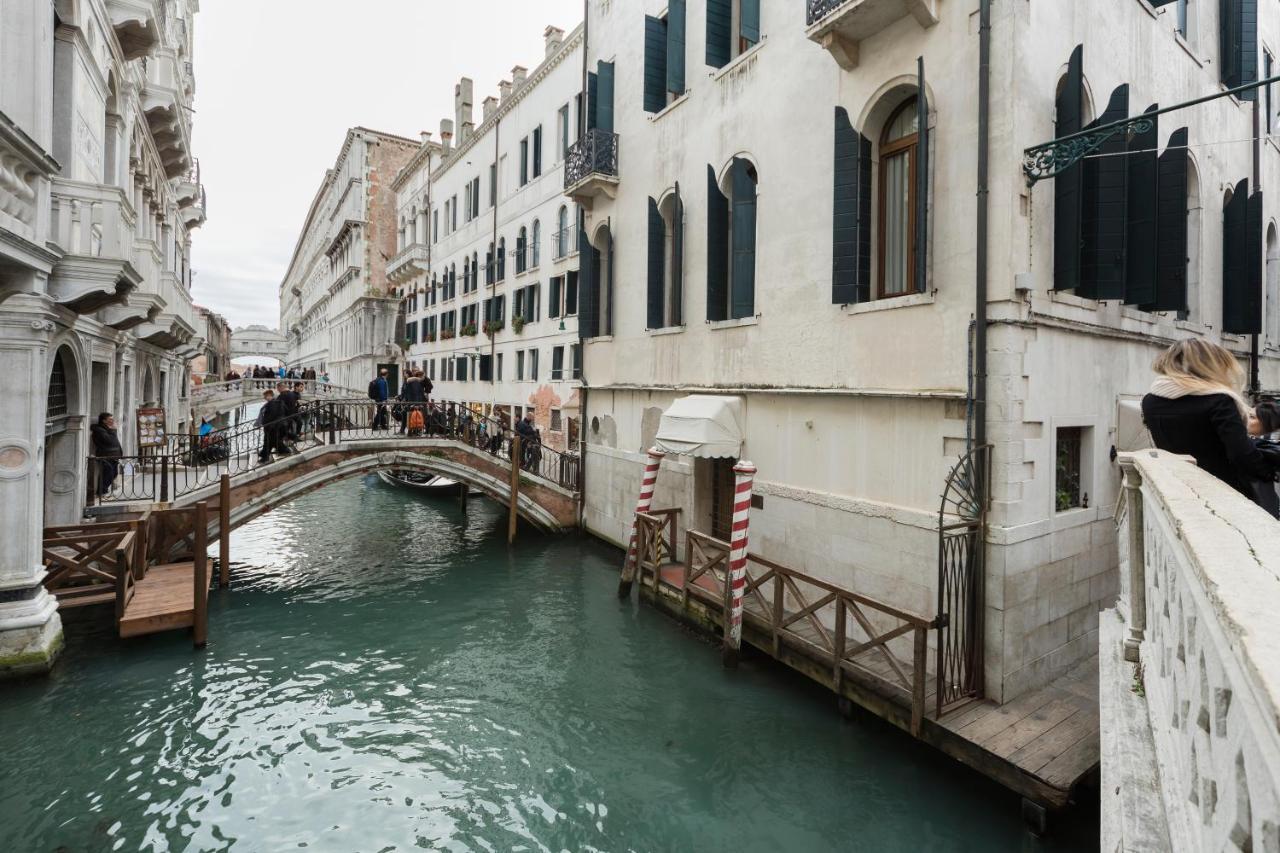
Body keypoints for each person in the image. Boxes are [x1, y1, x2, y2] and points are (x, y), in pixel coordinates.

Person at [1142, 339, 1279, 508]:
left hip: (1179, 488)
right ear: (1208, 366)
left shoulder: (1150, 401)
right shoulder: (1218, 400)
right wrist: (1267, 473)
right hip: (1223, 492)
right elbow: (1240, 453)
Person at [90, 412, 122, 496]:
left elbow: (115, 442)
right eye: (110, 419)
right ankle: (101, 492)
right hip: (106, 456)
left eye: (112, 419)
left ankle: (104, 490)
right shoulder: (99, 430)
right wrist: (113, 430)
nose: (112, 421)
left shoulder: (108, 429)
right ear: (104, 421)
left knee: (114, 473)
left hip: (113, 456)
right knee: (107, 473)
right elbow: (109, 441)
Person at [399, 370, 425, 435]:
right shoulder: (412, 381)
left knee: (411, 416)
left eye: (405, 374)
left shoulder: (414, 382)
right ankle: (409, 431)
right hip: (410, 402)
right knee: (408, 416)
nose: (404, 375)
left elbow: (416, 393)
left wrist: (416, 404)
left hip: (411, 402)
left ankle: (411, 431)